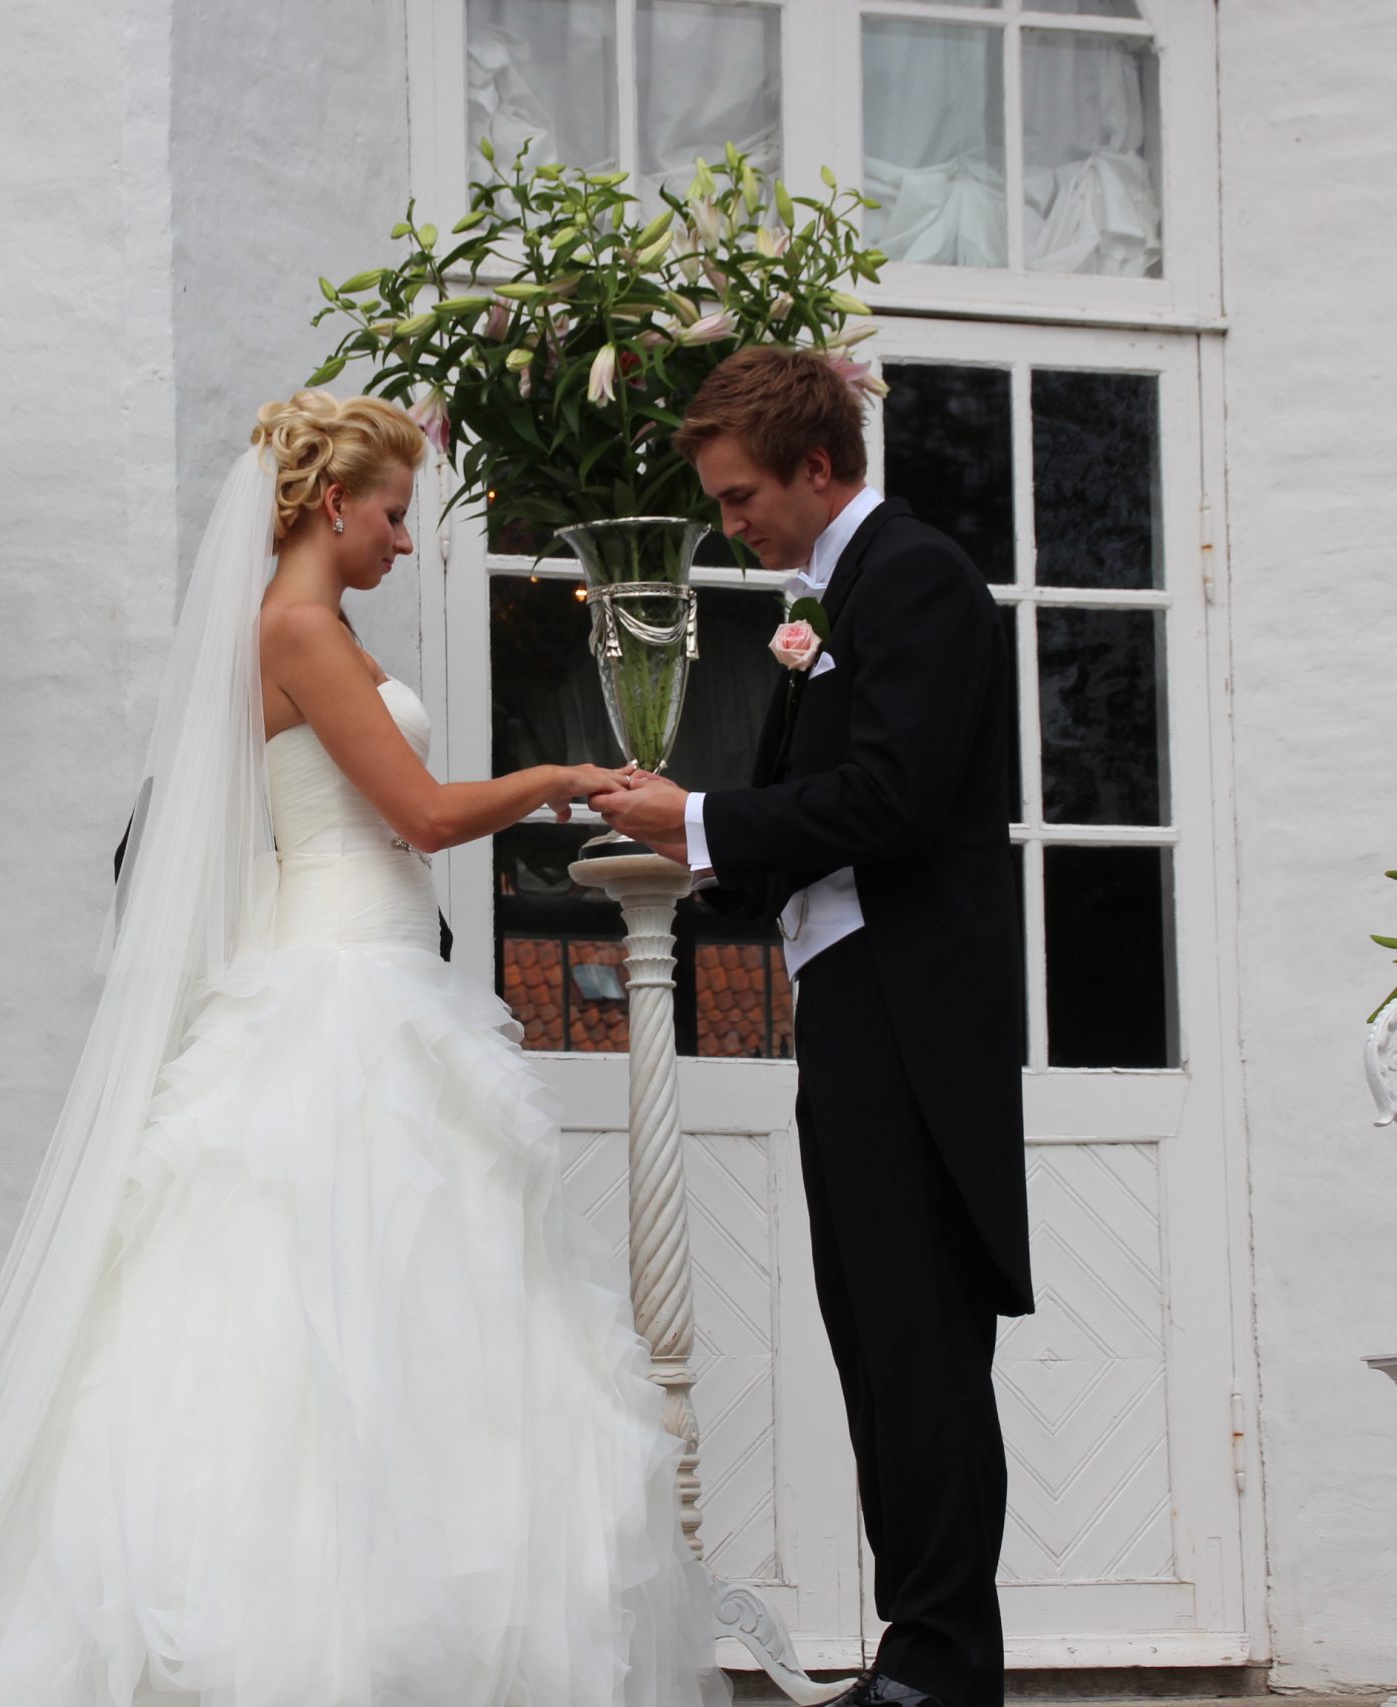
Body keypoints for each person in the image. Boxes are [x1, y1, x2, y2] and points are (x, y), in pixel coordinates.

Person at [0, 391, 725, 1707]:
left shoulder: (325, 629)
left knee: (402, 1313)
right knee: (325, 1313)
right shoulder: (295, 628)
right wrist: (561, 779)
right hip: (343, 988)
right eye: (392, 513)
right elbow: (420, 817)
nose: (403, 540)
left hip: (375, 976)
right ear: (330, 503)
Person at [596, 346, 1028, 1707]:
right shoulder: (832, 595)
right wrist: (692, 841)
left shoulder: (914, 578)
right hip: (845, 995)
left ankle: (942, 1665)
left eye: (739, 498)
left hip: (912, 1007)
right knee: (874, 1333)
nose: (731, 524)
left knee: (920, 1340)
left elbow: (894, 797)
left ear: (820, 466)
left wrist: (700, 819)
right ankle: (919, 1652)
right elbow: (817, 806)